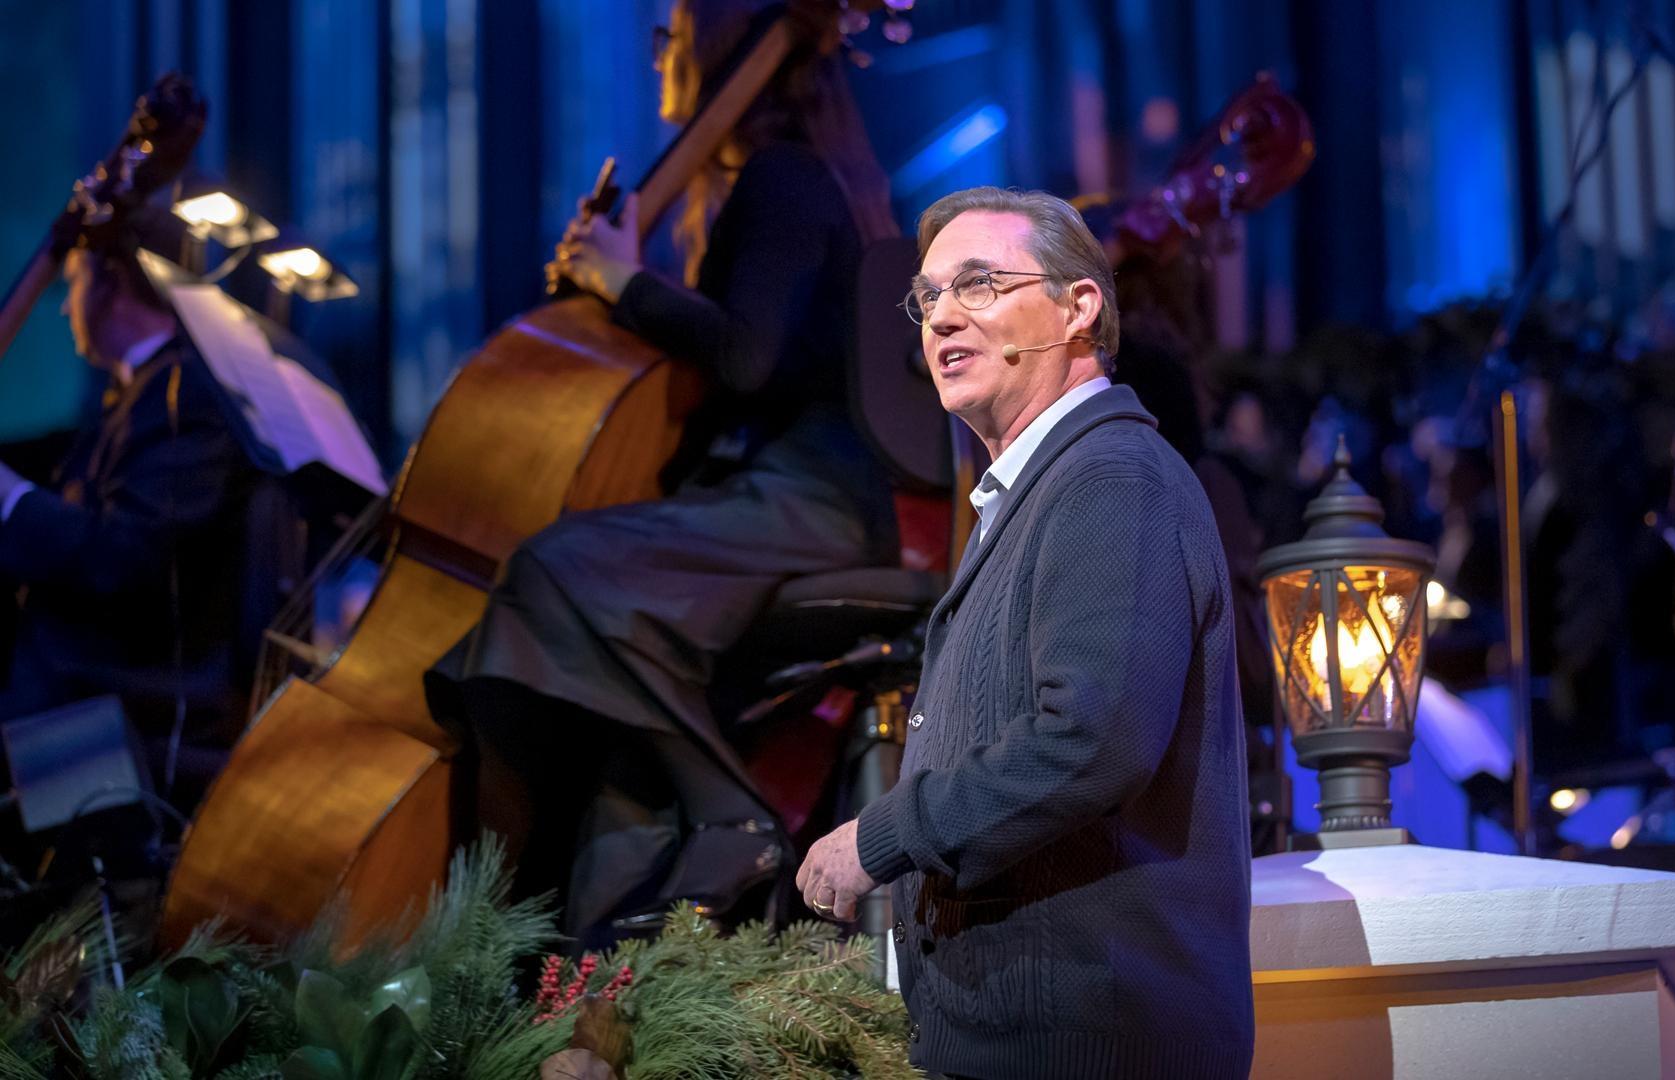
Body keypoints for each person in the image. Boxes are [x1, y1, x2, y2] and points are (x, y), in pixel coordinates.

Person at [425, 0, 901, 938]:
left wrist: (621, 283)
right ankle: (569, 950)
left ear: (717, 41)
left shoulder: (785, 175)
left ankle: (728, 814)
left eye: (669, 36)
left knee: (550, 572)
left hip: (808, 499)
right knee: (557, 671)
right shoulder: (765, 189)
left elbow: (747, 359)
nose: (657, 60)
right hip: (773, 498)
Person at [796, 187, 1254, 1078]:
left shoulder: (1112, 481)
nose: (942, 318)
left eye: (979, 284)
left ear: (1079, 307)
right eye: (928, 298)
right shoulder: (1051, 489)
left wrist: (878, 838)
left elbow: (1091, 739)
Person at [0, 235, 258, 789]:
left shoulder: (185, 394)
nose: (67, 306)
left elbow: (125, 558)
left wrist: (7, 496)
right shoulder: (142, 391)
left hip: (120, 698)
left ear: (110, 279)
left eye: (72, 282)